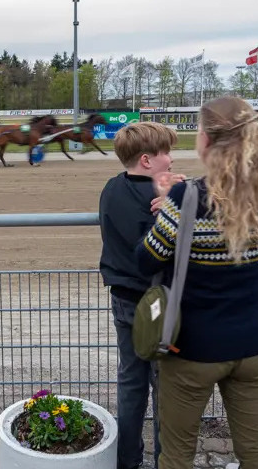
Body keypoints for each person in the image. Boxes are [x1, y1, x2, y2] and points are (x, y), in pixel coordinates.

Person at [135, 96, 258, 469]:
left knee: (177, 455)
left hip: (194, 348)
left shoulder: (188, 196)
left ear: (205, 139)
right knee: (257, 452)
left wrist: (166, 205)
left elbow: (147, 259)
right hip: (252, 344)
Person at [99, 121, 179, 469]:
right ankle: (167, 459)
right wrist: (180, 200)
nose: (172, 160)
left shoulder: (111, 187)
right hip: (160, 302)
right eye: (166, 154)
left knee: (131, 382)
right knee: (167, 387)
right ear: (146, 160)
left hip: (123, 298)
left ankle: (127, 459)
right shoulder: (164, 199)